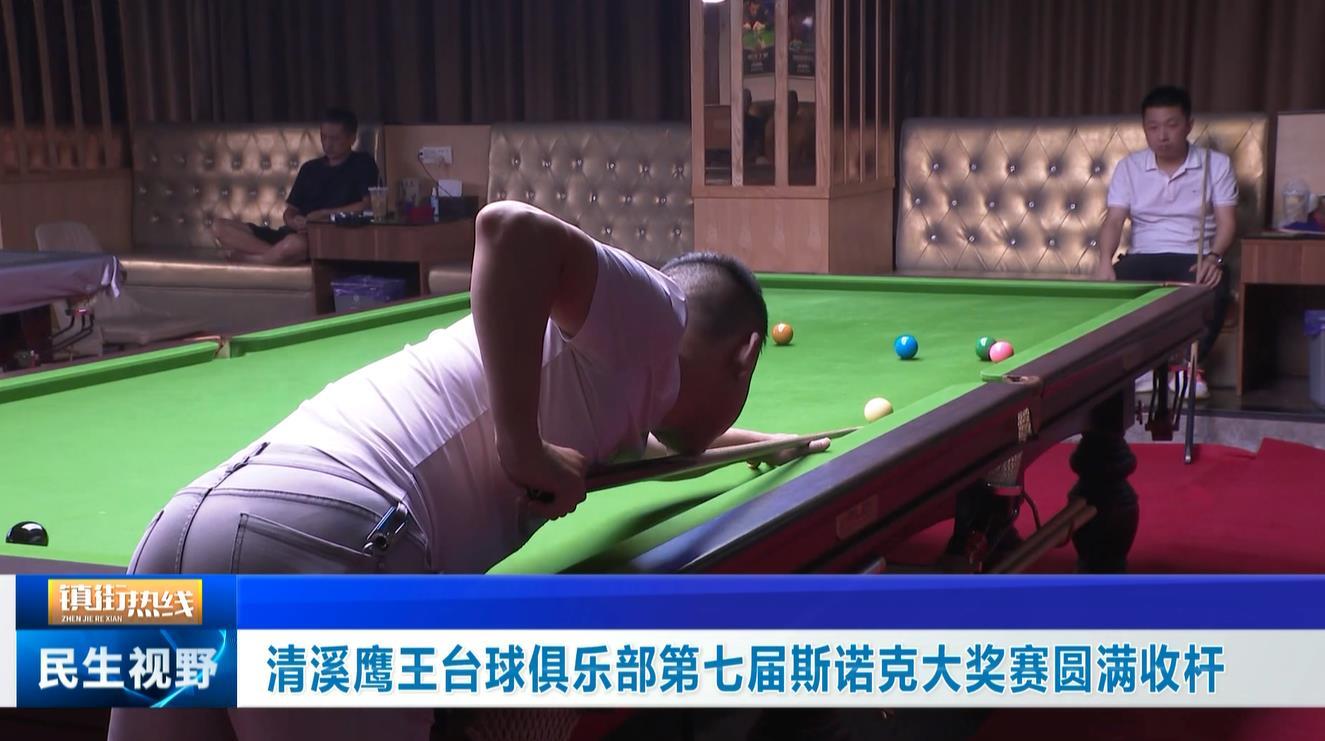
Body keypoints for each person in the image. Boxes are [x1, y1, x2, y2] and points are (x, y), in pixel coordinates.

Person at [107, 200, 829, 741]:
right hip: (332, 545)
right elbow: (509, 230)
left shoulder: (612, 377)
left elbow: (650, 451)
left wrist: (760, 443)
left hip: (193, 528)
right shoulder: (659, 314)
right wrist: (522, 445)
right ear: (747, 354)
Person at [1094, 85, 1238, 399]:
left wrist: (1214, 258)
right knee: (1112, 286)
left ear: (1188, 125)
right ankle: (1139, 369)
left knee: (1215, 282)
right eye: (1153, 127)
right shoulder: (1130, 167)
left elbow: (1227, 223)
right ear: (1144, 129)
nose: (1162, 135)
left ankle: (1188, 367)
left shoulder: (1216, 164)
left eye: (1171, 125)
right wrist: (1104, 261)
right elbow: (1114, 220)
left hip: (1194, 255)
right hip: (1144, 254)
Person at [212, 108, 379, 265]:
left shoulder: (363, 163)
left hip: (320, 238)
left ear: (351, 138)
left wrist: (323, 215)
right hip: (292, 233)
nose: (327, 144)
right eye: (323, 137)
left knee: (295, 244)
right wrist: (293, 222)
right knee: (219, 226)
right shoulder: (310, 168)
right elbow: (290, 211)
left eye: (335, 139)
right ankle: (273, 256)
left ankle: (254, 259)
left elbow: (368, 204)